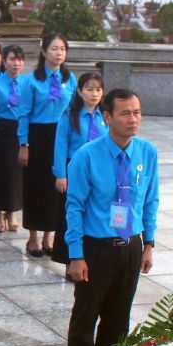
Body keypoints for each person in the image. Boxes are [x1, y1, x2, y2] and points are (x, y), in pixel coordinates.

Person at [62, 89, 158, 346]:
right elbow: (75, 207)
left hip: (130, 246)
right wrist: (76, 254)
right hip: (95, 248)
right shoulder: (86, 156)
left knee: (118, 319)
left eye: (137, 112)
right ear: (107, 117)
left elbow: (150, 200)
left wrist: (149, 244)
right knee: (85, 318)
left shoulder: (146, 152)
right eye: (126, 113)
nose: (133, 119)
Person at [18, 33, 74, 257]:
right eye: (54, 48)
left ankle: (49, 237)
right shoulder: (31, 80)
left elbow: (75, 110)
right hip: (38, 136)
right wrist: (24, 144)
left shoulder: (70, 79)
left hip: (61, 136)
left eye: (62, 49)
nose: (58, 53)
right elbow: (23, 114)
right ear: (44, 52)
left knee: (56, 187)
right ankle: (33, 238)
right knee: (35, 187)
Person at [51, 72, 106, 265]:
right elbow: (60, 144)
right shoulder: (69, 115)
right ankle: (68, 259)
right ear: (80, 92)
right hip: (74, 170)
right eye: (89, 89)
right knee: (71, 215)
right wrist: (60, 174)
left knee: (92, 214)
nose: (94, 94)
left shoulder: (105, 116)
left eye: (98, 90)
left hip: (98, 172)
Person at [0, 45, 26, 233]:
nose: (15, 63)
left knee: (17, 176)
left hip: (20, 132)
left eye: (19, 59)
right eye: (11, 59)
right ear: (4, 60)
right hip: (1, 132)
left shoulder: (27, 83)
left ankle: (12, 211)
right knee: (0, 174)